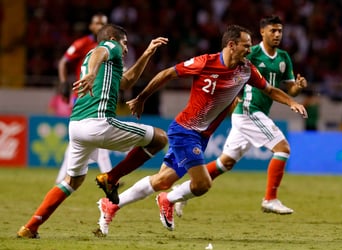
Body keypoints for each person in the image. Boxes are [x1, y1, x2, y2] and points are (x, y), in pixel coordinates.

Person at [94, 24, 307, 236]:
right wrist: (142, 98)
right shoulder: (205, 62)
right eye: (246, 46)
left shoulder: (246, 70)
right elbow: (168, 73)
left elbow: (269, 90)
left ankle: (111, 205)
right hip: (185, 131)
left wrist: (291, 102)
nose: (249, 50)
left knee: (162, 180)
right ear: (231, 45)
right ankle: (168, 199)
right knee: (203, 184)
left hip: (202, 135)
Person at [17, 24, 169, 238]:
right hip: (98, 123)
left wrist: (146, 54)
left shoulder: (109, 64)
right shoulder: (109, 46)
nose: (125, 49)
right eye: (125, 43)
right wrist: (90, 74)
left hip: (76, 127)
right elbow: (102, 50)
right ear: (116, 39)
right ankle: (111, 178)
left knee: (72, 181)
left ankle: (30, 227)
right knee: (160, 138)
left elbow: (126, 82)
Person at [174, 15, 308, 216]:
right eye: (273, 30)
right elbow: (231, 72)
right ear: (262, 32)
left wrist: (297, 88)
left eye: (280, 30)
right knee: (282, 148)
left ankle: (180, 192)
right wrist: (231, 96)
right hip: (248, 110)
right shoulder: (250, 52)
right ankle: (270, 199)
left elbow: (289, 89)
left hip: (255, 113)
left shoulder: (283, 58)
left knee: (225, 163)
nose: (277, 34)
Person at [55, 13, 112, 183]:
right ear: (91, 26)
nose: (100, 26)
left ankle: (60, 180)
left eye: (104, 23)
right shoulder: (83, 43)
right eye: (97, 23)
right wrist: (64, 83)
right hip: (84, 95)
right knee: (99, 132)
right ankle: (110, 177)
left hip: (101, 95)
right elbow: (63, 62)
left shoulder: (109, 46)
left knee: (79, 139)